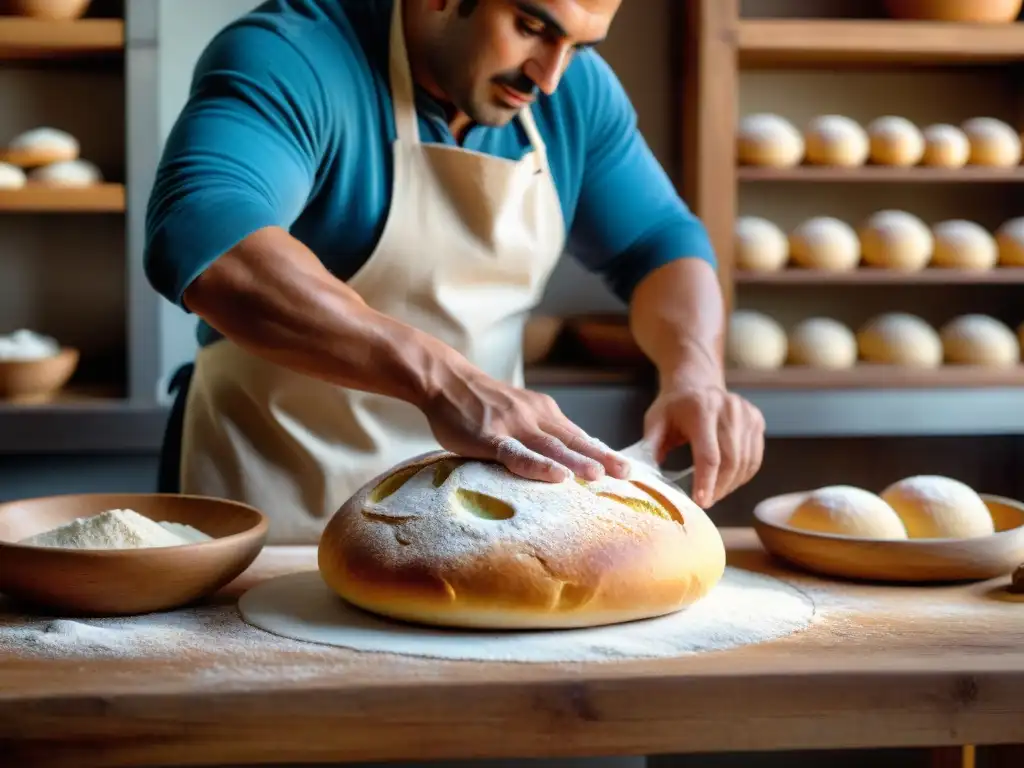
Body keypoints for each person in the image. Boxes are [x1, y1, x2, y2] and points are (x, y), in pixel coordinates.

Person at [145, 0, 766, 545]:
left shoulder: (575, 95)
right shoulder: (292, 54)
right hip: (273, 509)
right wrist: (444, 382)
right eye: (531, 27)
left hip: (477, 523)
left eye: (577, 46)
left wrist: (696, 373)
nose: (550, 76)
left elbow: (659, 243)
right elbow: (207, 234)